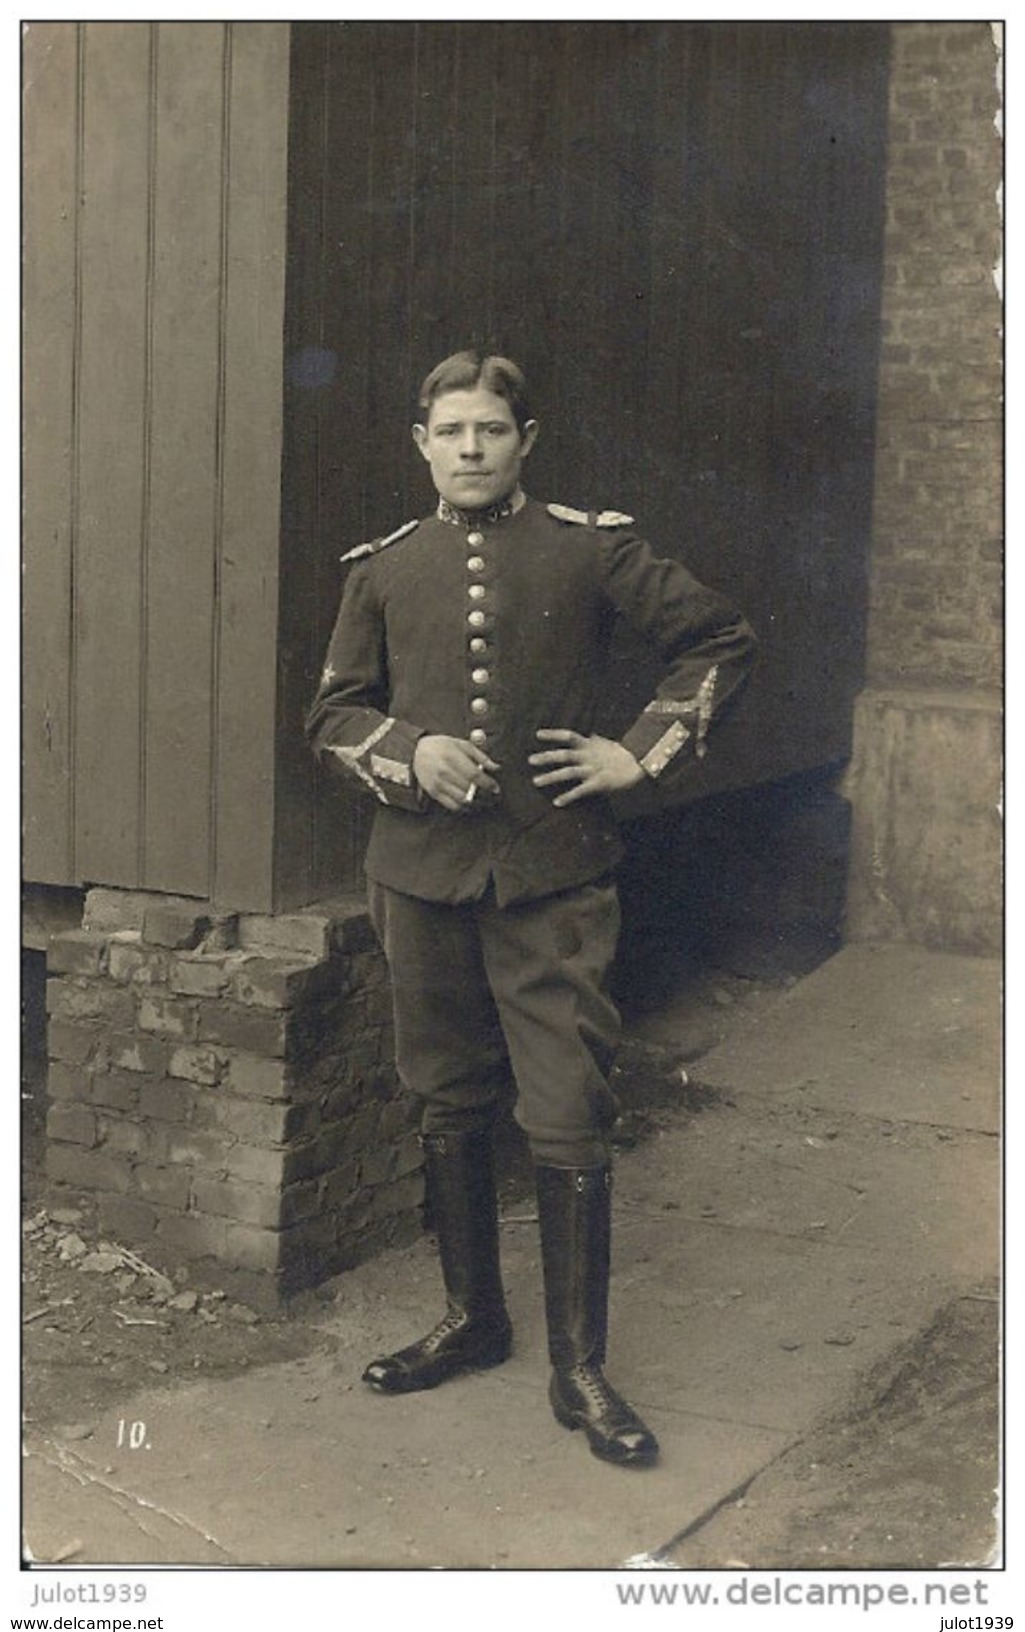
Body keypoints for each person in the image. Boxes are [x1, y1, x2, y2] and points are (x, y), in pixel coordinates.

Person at [306, 350, 756, 1469]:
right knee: (447, 1097)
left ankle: (579, 1369)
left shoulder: (587, 547)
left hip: (551, 877)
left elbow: (716, 639)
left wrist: (634, 754)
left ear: (525, 441)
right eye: (449, 430)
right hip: (418, 877)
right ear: (420, 443)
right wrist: (412, 752)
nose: (469, 449)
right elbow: (331, 715)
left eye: (490, 431)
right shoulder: (381, 570)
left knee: (565, 1111)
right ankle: (473, 1322)